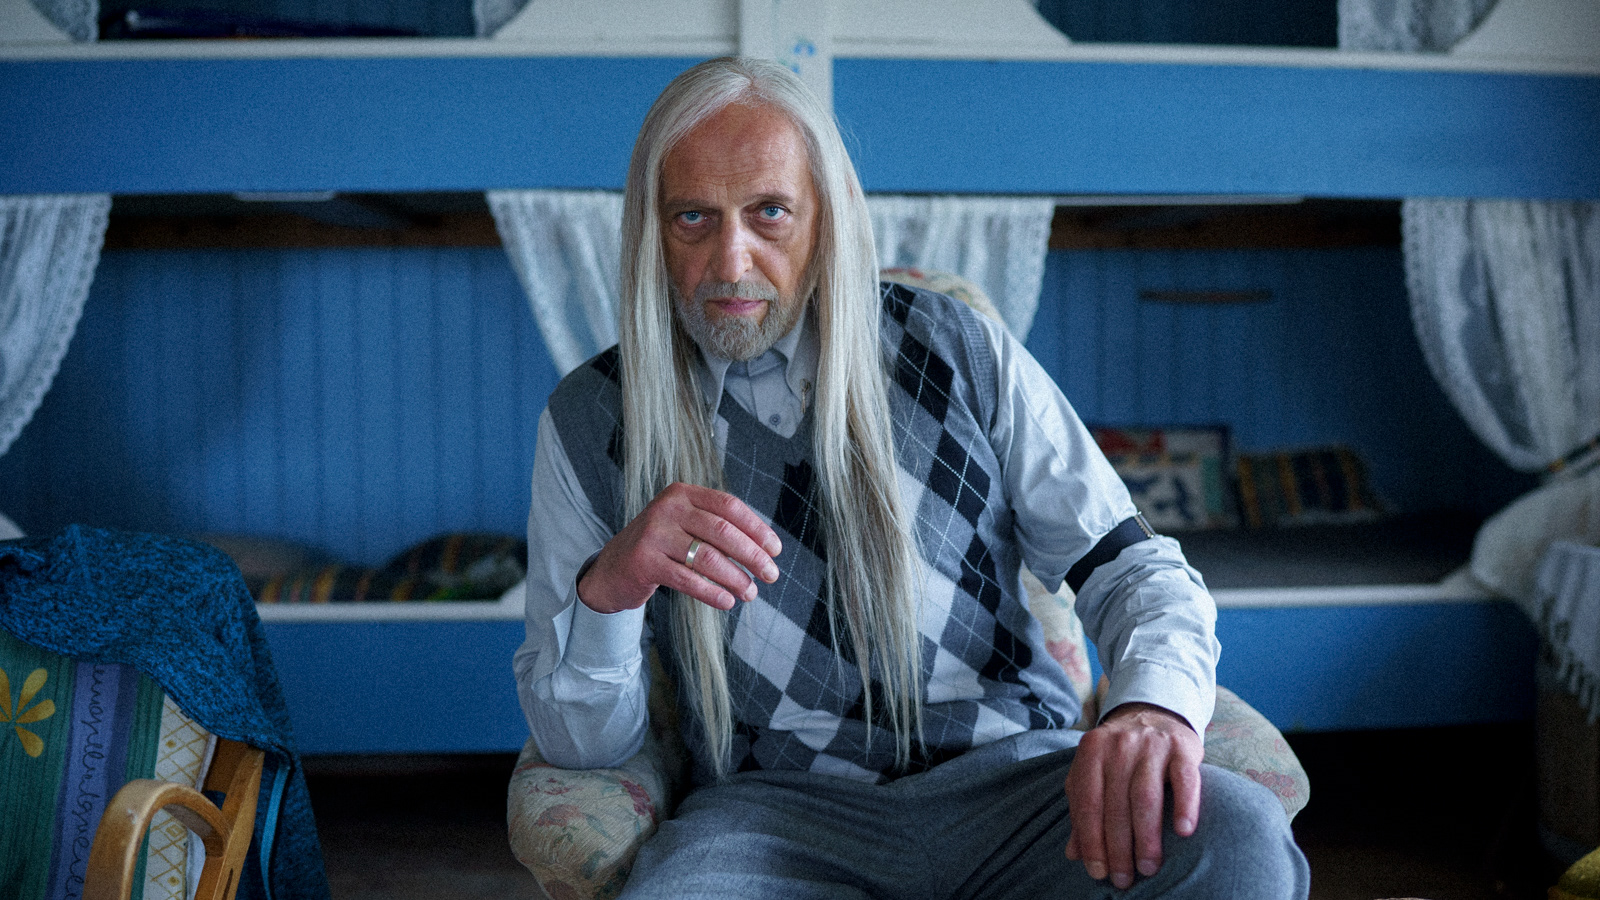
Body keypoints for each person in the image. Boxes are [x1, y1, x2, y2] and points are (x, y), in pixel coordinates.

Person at [514, 56, 1308, 899]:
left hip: (1020, 790)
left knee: (1238, 842)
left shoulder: (957, 348)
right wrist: (609, 590)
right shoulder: (589, 421)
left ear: (825, 217)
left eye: (770, 211)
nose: (730, 259)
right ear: (652, 229)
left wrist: (1150, 706)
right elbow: (583, 748)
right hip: (774, 819)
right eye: (692, 217)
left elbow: (1135, 569)